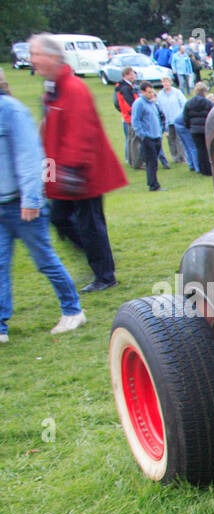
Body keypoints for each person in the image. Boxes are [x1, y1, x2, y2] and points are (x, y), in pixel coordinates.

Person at [30, 34, 127, 293]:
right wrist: (47, 174)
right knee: (60, 218)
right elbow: (49, 135)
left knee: (90, 224)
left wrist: (71, 171)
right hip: (61, 172)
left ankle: (105, 275)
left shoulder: (73, 88)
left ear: (52, 57)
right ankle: (98, 256)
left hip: (82, 174)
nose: (32, 60)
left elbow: (81, 133)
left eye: (35, 54)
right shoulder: (53, 89)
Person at [0, 67, 86, 341]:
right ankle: (1, 324)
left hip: (22, 204)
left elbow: (29, 156)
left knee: (44, 260)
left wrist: (31, 199)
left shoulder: (11, 111)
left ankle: (73, 311)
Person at [131, 82, 165, 191]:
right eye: (149, 92)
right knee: (151, 162)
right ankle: (153, 185)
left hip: (156, 135)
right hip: (147, 137)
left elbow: (158, 117)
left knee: (155, 161)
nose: (151, 94)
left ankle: (154, 183)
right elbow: (135, 121)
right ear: (143, 92)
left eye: (152, 92)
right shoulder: (139, 103)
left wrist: (160, 131)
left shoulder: (152, 103)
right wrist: (143, 135)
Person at [183, 82, 214, 176]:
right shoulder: (208, 103)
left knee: (200, 150)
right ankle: (209, 169)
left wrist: (189, 127)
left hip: (195, 130)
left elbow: (185, 117)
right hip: (206, 128)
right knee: (207, 149)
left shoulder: (189, 103)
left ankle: (202, 169)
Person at [156, 75, 185, 166]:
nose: (166, 84)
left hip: (177, 119)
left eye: (167, 82)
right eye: (164, 82)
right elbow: (158, 107)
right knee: (170, 139)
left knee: (179, 139)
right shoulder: (160, 94)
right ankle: (175, 157)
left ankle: (182, 157)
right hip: (167, 121)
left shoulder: (177, 92)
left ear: (170, 82)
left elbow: (183, 104)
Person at [115, 66, 137, 163]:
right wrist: (133, 113)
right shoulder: (125, 88)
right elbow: (129, 104)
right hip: (129, 117)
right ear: (126, 75)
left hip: (126, 116)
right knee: (132, 139)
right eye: (131, 74)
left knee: (129, 138)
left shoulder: (121, 86)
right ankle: (132, 159)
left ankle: (129, 158)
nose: (133, 76)